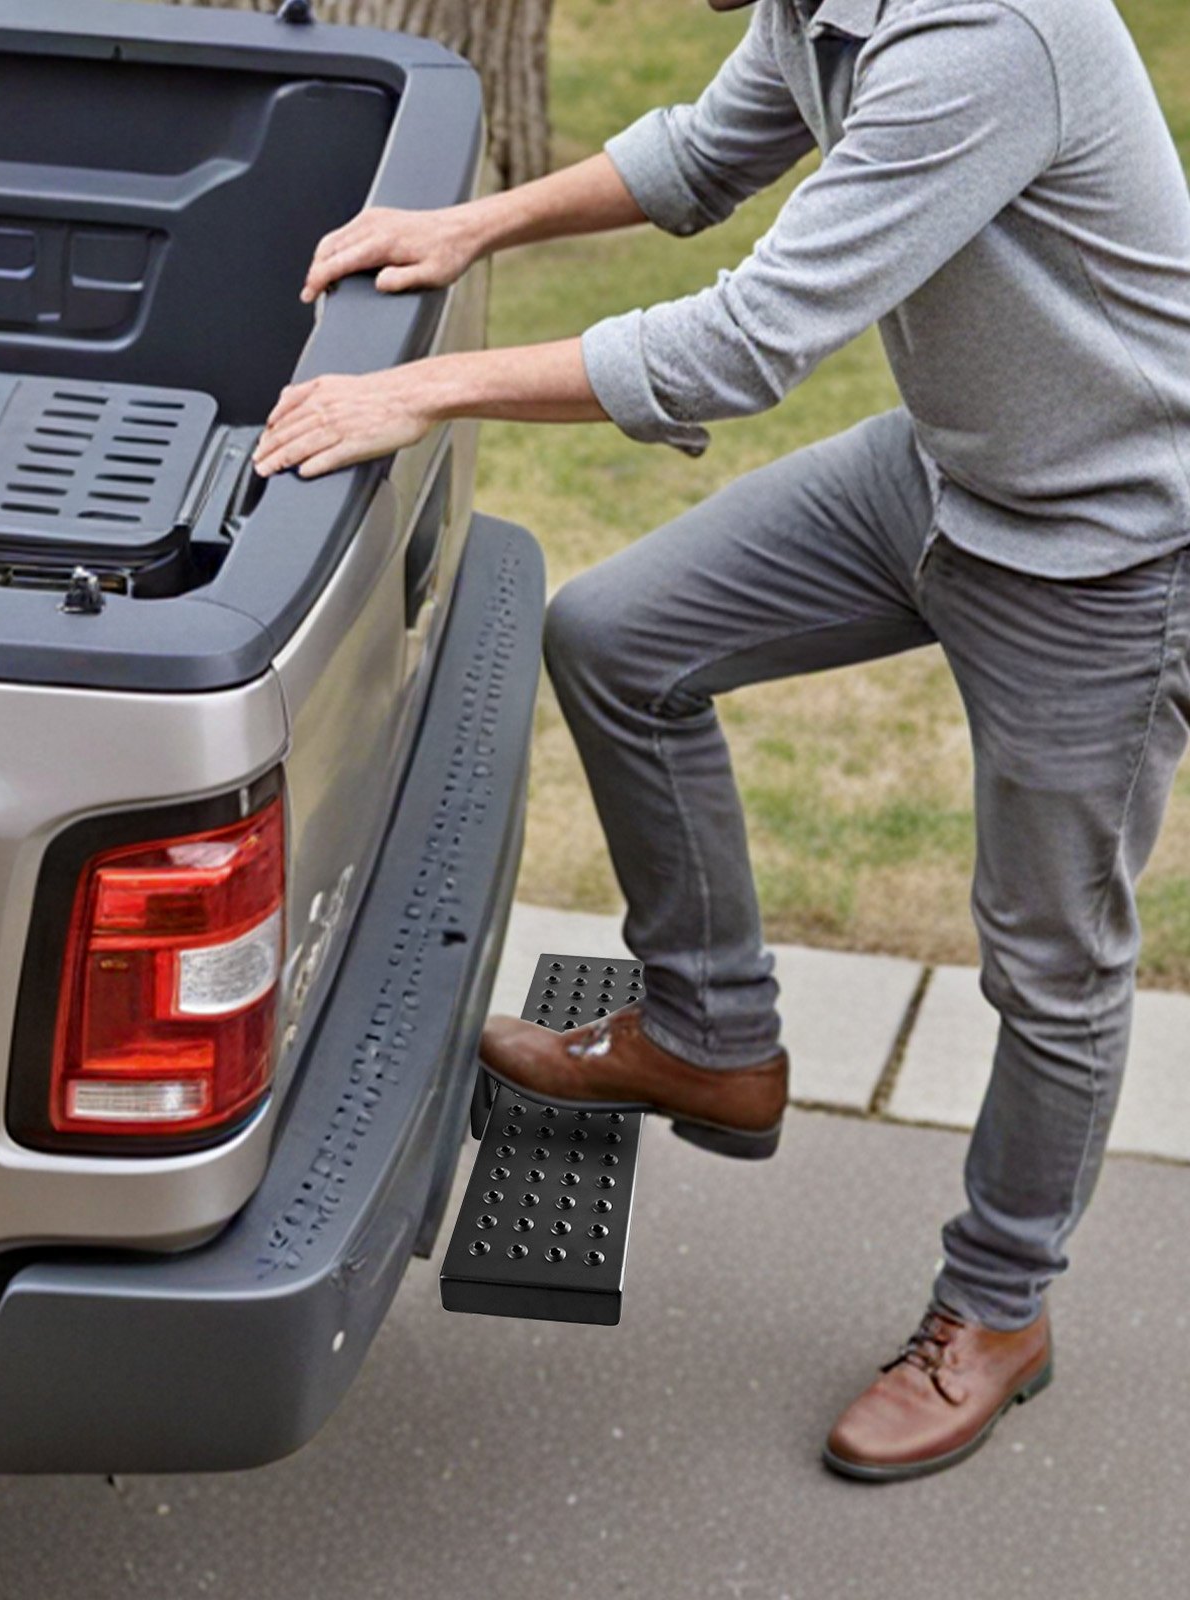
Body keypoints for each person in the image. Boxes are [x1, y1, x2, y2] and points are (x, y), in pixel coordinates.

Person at [253, 0, 1190, 1482]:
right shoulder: (822, 8)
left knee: (1050, 961)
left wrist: (418, 387)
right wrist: (468, 227)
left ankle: (1002, 1310)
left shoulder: (986, 40)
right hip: (945, 473)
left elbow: (740, 347)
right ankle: (711, 1036)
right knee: (620, 637)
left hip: (1105, 549)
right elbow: (700, 152)